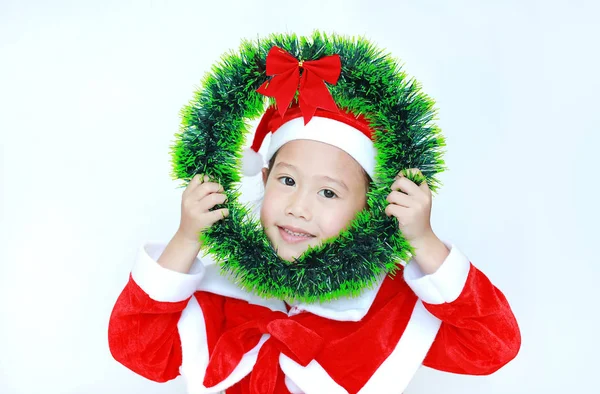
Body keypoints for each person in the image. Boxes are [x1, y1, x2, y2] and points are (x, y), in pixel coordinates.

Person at [108, 35, 521, 394]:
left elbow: (492, 345)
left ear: (370, 207)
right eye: (286, 182)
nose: (298, 208)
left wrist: (425, 242)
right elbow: (139, 352)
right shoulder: (223, 293)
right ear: (265, 177)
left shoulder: (387, 303)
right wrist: (186, 240)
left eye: (328, 192)